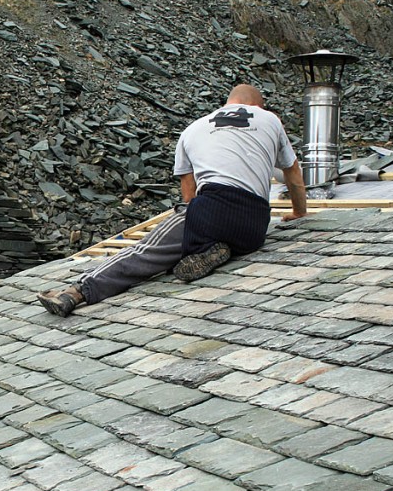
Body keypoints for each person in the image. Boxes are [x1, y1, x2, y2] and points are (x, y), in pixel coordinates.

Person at [38, 84, 307, 317]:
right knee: (217, 226)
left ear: (228, 102)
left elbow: (189, 197)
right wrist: (298, 212)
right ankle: (214, 247)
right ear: (257, 105)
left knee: (144, 252)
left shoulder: (192, 130)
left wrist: (198, 222)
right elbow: (293, 174)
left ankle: (75, 293)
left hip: (213, 209)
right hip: (255, 224)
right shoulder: (269, 119)